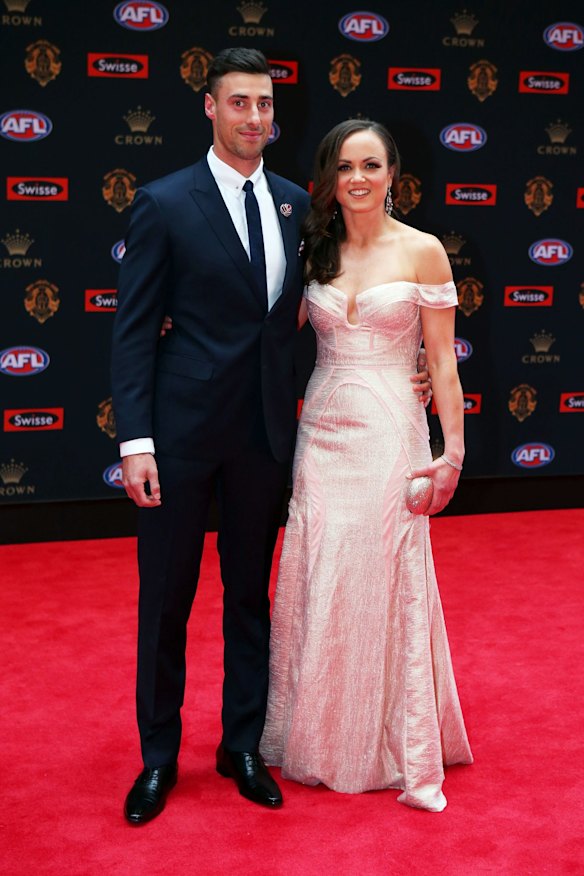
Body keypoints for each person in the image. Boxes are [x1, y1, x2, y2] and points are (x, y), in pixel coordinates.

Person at [111, 50, 430, 825]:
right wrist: (136, 442)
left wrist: (405, 368)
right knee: (167, 601)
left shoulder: (299, 205)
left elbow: (328, 310)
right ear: (210, 109)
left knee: (253, 598)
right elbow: (131, 335)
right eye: (239, 102)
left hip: (265, 437)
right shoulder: (163, 203)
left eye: (265, 103)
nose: (255, 116)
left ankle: (243, 745)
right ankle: (158, 758)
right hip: (181, 440)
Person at [260, 119, 473, 812]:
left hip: (392, 434)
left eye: (371, 165)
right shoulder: (311, 250)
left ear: (392, 174)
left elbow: (440, 358)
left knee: (389, 571)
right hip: (321, 433)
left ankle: (396, 740)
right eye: (345, 166)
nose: (357, 178)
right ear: (328, 177)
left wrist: (453, 452)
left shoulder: (423, 251)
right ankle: (320, 733)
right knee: (322, 568)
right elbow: (261, 329)